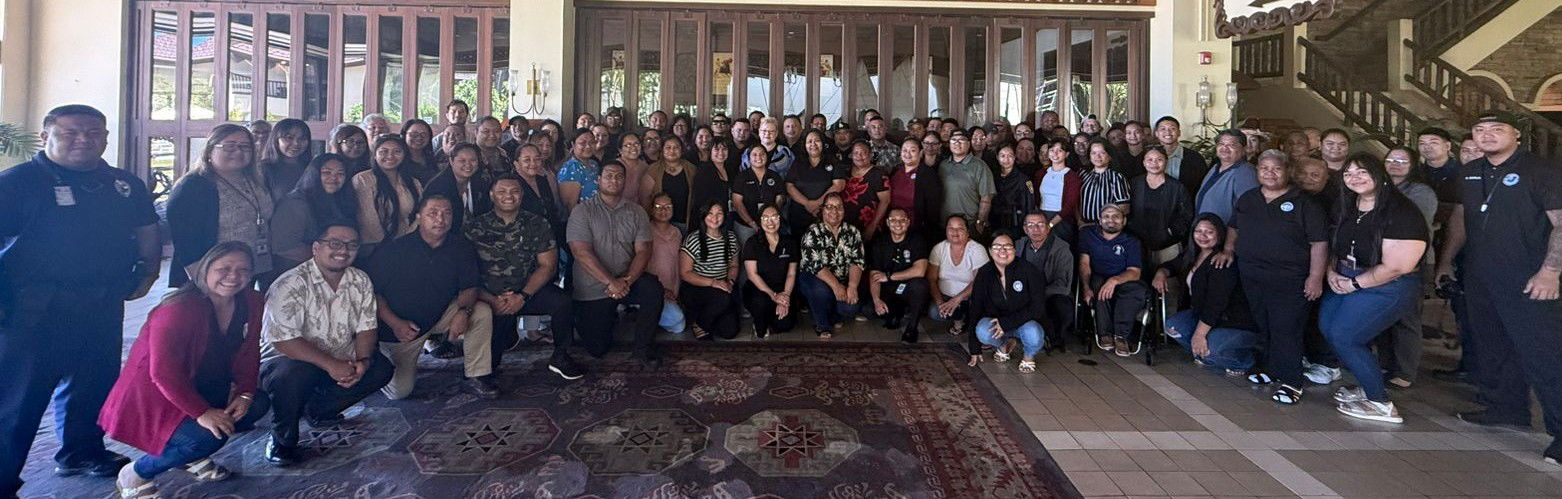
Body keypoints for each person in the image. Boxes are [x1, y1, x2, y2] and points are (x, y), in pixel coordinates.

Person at [0, 105, 161, 497]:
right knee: (21, 399)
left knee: (94, 383)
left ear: (105, 137)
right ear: (46, 136)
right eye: (71, 132)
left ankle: (82, 450)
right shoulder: (16, 183)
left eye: (93, 132)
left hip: (102, 301)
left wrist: (149, 271)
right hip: (33, 309)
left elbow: (146, 227)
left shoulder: (121, 183)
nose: (84, 139)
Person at [1442, 112, 1562, 464]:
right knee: (1492, 344)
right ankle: (1506, 408)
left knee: (1544, 355)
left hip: (1528, 278)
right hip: (1481, 275)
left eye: (1497, 129)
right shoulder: (1470, 170)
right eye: (1480, 130)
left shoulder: (1542, 170)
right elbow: (1462, 218)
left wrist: (1550, 272)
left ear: (1517, 135)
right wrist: (1447, 259)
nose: (1487, 135)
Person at [102, 243, 266, 498]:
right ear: (204, 271)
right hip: (155, 397)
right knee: (209, 435)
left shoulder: (252, 301)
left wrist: (245, 392)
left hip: (205, 385)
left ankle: (189, 457)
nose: (234, 276)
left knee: (257, 404)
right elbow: (162, 373)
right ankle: (137, 472)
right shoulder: (177, 309)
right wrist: (202, 413)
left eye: (243, 270)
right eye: (224, 268)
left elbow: (249, 351)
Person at [258, 224, 392, 466]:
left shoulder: (359, 279)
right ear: (316, 248)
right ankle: (282, 438)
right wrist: (331, 365)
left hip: (339, 354)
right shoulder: (290, 283)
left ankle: (318, 410)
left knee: (380, 368)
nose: (344, 250)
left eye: (352, 245)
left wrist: (362, 360)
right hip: (288, 360)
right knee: (291, 375)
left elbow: (366, 326)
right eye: (335, 243)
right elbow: (284, 341)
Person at [1321, 153, 1429, 424]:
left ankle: (1380, 403)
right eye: (1348, 173)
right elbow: (1336, 242)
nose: (1354, 178)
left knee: (1346, 336)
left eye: (1361, 172)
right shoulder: (1348, 204)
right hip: (1345, 275)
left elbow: (1398, 265)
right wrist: (1331, 271)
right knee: (1328, 326)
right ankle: (1368, 383)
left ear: (1378, 174)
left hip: (1387, 285)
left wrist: (1356, 283)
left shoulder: (1401, 211)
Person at [1223, 150, 1328, 405]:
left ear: (1287, 171)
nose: (1270, 173)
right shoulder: (1249, 198)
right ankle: (1270, 370)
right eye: (1264, 168)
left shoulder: (1305, 203)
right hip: (1253, 274)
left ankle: (1292, 382)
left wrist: (1315, 277)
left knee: (1287, 328)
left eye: (1276, 168)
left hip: (1290, 278)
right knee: (1264, 323)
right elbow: (1234, 227)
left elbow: (1319, 243)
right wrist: (1228, 249)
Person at [368, 195, 496, 399]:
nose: (440, 219)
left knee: (481, 311)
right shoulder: (395, 250)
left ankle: (476, 376)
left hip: (438, 315)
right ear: (419, 217)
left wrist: (464, 311)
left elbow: (469, 287)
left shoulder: (460, 247)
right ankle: (376, 365)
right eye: (433, 213)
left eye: (447, 213)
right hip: (400, 330)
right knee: (399, 392)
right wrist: (395, 323)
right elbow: (373, 293)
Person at [467, 175, 584, 380]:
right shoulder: (475, 227)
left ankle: (561, 356)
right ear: (492, 195)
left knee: (562, 301)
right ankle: (488, 364)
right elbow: (467, 273)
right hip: (490, 298)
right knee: (489, 366)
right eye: (502, 192)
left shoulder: (537, 223)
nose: (509, 196)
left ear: (521, 195)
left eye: (514, 191)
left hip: (527, 292)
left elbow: (547, 266)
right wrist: (493, 300)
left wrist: (522, 296)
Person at [566, 161, 664, 361]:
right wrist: (611, 282)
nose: (614, 180)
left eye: (619, 176)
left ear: (625, 181)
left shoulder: (637, 212)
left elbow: (643, 251)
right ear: (598, 180)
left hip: (628, 280)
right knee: (597, 349)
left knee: (652, 289)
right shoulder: (581, 211)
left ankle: (643, 349)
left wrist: (625, 282)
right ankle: (601, 316)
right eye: (609, 176)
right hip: (593, 286)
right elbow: (581, 252)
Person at [167, 124, 275, 288]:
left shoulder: (255, 179)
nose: (238, 151)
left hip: (249, 268)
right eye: (229, 146)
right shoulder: (194, 186)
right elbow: (186, 243)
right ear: (210, 150)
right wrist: (203, 283)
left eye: (245, 146)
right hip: (214, 277)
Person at [1155, 214, 1257, 375]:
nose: (1202, 236)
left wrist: (1199, 334)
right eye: (1198, 231)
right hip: (1203, 315)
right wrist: (1161, 273)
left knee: (1212, 347)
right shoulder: (1194, 253)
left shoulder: (1222, 261)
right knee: (1174, 327)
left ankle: (1242, 362)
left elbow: (1216, 303)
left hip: (1231, 320)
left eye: (1209, 232)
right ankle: (1205, 352)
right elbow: (1172, 265)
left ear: (1220, 234)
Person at [1375, 146, 1436, 389]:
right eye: (1390, 159)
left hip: (1412, 262)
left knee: (1406, 318)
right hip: (1381, 261)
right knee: (1382, 316)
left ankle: (1404, 371)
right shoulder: (1381, 188)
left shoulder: (1421, 191)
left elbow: (1410, 224)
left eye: (1401, 160)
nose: (1395, 164)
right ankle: (1385, 363)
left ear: (1413, 165)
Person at [966, 234, 1048, 373]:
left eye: (1007, 246)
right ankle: (1004, 345)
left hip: (1025, 322)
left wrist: (1007, 323)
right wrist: (974, 347)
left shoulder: (1029, 270)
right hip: (998, 323)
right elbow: (976, 307)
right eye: (997, 247)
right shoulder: (985, 272)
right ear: (990, 251)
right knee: (982, 330)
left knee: (1033, 333)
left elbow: (1038, 307)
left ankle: (1028, 355)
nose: (1002, 251)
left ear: (1015, 250)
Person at [1078, 204, 1149, 356]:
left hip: (1124, 279)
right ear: (1100, 220)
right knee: (1098, 285)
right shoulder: (1088, 235)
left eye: (1116, 216)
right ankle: (1105, 333)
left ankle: (1121, 336)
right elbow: (1084, 263)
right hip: (1098, 277)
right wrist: (1085, 287)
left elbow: (1135, 272)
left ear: (1123, 221)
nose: (1111, 220)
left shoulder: (1132, 241)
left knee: (1138, 290)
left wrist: (1115, 280)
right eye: (1106, 216)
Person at [271, 154, 359, 274]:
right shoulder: (295, 203)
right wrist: (328, 256)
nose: (334, 178)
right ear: (315, 174)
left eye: (340, 174)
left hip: (332, 269)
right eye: (327, 172)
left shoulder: (342, 200)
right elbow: (284, 247)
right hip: (296, 272)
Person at [798, 193, 866, 338]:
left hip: (842, 279)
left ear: (844, 210)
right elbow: (816, 266)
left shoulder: (853, 232)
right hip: (814, 279)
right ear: (822, 210)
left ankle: (835, 315)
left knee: (851, 307)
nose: (834, 211)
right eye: (829, 207)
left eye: (838, 207)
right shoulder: (813, 232)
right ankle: (822, 325)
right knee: (822, 292)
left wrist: (852, 287)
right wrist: (836, 286)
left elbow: (857, 261)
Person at [866, 208, 931, 343]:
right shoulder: (880, 242)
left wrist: (889, 276)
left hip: (908, 287)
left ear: (908, 222)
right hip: (888, 290)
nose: (898, 223)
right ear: (888, 223)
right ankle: (896, 312)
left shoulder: (917, 239)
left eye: (902, 220)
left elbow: (920, 270)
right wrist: (877, 300)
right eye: (894, 220)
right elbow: (874, 275)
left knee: (920, 285)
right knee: (870, 310)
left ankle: (912, 328)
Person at [680, 201, 743, 340]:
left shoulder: (731, 238)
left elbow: (734, 265)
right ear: (703, 216)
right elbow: (685, 273)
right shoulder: (693, 239)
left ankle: (707, 319)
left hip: (721, 286)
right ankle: (699, 324)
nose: (714, 218)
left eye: (719, 213)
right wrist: (713, 283)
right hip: (697, 287)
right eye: (710, 213)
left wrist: (730, 281)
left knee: (730, 331)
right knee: (723, 298)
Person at [1128, 146, 1193, 278]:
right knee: (1140, 282)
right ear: (1144, 162)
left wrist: (1170, 232)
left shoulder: (1176, 187)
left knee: (1168, 285)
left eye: (1159, 160)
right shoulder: (1134, 184)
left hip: (1168, 245)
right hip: (1138, 243)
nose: (1154, 163)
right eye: (1150, 160)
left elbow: (1186, 215)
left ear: (1166, 161)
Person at [352, 135, 423, 255]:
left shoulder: (413, 182)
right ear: (374, 155)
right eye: (384, 151)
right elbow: (368, 221)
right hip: (374, 249)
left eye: (397, 151)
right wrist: (389, 249)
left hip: (407, 246)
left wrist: (408, 239)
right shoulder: (363, 179)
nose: (390, 156)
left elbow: (420, 215)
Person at [1017, 212, 1075, 352]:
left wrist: (1037, 294)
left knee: (1062, 304)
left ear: (1048, 227)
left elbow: (1063, 284)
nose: (1035, 229)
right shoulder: (1019, 246)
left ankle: (1055, 338)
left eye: (1040, 225)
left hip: (1050, 295)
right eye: (1031, 225)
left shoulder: (1061, 248)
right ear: (1025, 229)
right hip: (1023, 294)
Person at [742, 205, 800, 338]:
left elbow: (791, 273)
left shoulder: (789, 242)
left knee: (785, 325)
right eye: (765, 218)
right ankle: (759, 319)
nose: (770, 222)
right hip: (759, 290)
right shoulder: (752, 243)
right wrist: (773, 295)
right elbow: (752, 274)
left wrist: (785, 297)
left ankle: (770, 317)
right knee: (761, 324)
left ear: (780, 219)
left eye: (774, 217)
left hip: (782, 289)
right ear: (759, 221)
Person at [928, 215, 990, 337]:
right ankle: (959, 318)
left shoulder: (977, 249)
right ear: (946, 231)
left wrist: (957, 300)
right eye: (951, 228)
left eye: (960, 228)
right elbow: (931, 279)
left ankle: (972, 320)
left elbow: (980, 281)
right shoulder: (939, 249)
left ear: (967, 232)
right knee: (935, 312)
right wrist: (940, 303)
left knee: (978, 312)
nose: (955, 232)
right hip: (946, 296)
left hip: (971, 298)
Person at [786, 129, 847, 236]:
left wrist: (818, 203)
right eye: (809, 141)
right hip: (799, 215)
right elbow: (789, 186)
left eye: (817, 141)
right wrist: (807, 204)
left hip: (826, 215)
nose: (813, 144)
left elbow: (839, 184)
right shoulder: (798, 162)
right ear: (804, 145)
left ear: (823, 143)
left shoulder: (832, 160)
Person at [422, 144, 492, 232]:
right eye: (462, 160)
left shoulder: (481, 182)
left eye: (473, 160)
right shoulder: (437, 187)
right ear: (451, 161)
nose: (468, 165)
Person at [1194, 129, 1260, 223]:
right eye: (1221, 144)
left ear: (1244, 149)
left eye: (1232, 145)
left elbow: (1249, 210)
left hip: (1226, 234)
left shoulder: (1245, 173)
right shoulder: (1216, 167)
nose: (1225, 148)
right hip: (1207, 232)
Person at [889, 137, 947, 243]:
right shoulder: (896, 171)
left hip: (916, 228)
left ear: (920, 153)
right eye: (904, 150)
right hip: (894, 226)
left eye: (912, 150)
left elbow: (933, 209)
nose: (907, 154)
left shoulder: (929, 175)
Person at [647, 193, 689, 335]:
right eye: (658, 207)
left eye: (668, 207)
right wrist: (660, 291)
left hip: (673, 292)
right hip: (653, 290)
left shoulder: (677, 232)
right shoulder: (645, 232)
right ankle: (644, 313)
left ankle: (654, 316)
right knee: (678, 324)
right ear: (652, 209)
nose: (663, 211)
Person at [938, 129, 995, 232]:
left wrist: (980, 221)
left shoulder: (980, 166)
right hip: (945, 224)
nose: (957, 143)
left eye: (961, 140)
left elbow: (986, 198)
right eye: (953, 140)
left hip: (970, 225)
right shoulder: (943, 165)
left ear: (969, 143)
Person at [731, 144, 787, 243]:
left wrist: (769, 218)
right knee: (747, 253)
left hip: (771, 225)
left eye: (762, 154)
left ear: (767, 156)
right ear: (749, 158)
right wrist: (752, 223)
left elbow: (780, 198)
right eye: (754, 155)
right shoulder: (741, 177)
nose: (759, 157)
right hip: (746, 226)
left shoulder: (775, 176)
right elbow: (737, 202)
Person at [513, 144, 565, 243]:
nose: (533, 164)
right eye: (527, 160)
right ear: (516, 163)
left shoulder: (542, 181)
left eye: (537, 159)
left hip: (550, 236)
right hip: (523, 240)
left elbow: (552, 211)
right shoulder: (512, 184)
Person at [643, 138, 697, 228]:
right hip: (659, 223)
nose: (672, 151)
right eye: (668, 147)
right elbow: (645, 197)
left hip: (684, 221)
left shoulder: (691, 169)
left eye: (676, 147)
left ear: (682, 150)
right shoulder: (653, 169)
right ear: (662, 149)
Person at [842, 140, 890, 240]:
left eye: (863, 152)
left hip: (870, 224)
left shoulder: (878, 174)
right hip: (846, 224)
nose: (859, 156)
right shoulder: (845, 172)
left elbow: (885, 201)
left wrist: (872, 226)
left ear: (870, 155)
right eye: (856, 153)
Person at [1077, 138, 1131, 227]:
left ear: (1109, 156)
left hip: (1107, 227)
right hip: (1083, 225)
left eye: (1102, 153)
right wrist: (1079, 221)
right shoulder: (1082, 174)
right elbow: (1076, 201)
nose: (1097, 157)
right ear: (1089, 156)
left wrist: (1109, 224)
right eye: (1093, 153)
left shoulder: (1117, 177)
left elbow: (1124, 207)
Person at [259, 118, 313, 202]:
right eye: (289, 138)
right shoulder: (263, 169)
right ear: (276, 140)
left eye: (302, 138)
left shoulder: (313, 167)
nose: (296, 143)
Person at [991, 143, 1035, 238]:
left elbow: (1029, 205)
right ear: (997, 157)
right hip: (995, 220)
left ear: (1015, 157)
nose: (1006, 159)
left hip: (1015, 222)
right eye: (1002, 156)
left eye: (1010, 156)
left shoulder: (1023, 179)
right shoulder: (992, 176)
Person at [557, 128, 601, 213]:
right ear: (573, 144)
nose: (588, 146)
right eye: (582, 143)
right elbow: (570, 206)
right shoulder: (571, 168)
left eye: (591, 142)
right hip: (582, 220)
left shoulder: (594, 164)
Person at [474, 116, 514, 185]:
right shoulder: (469, 155)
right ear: (476, 132)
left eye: (496, 131)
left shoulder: (506, 154)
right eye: (486, 131)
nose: (492, 135)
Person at [400, 119, 438, 183]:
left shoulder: (431, 158)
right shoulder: (399, 160)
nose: (419, 138)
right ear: (404, 135)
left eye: (424, 134)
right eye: (414, 134)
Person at [617, 132, 648, 205]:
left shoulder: (645, 167)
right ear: (620, 150)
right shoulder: (614, 167)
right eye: (628, 145)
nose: (633, 148)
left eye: (636, 144)